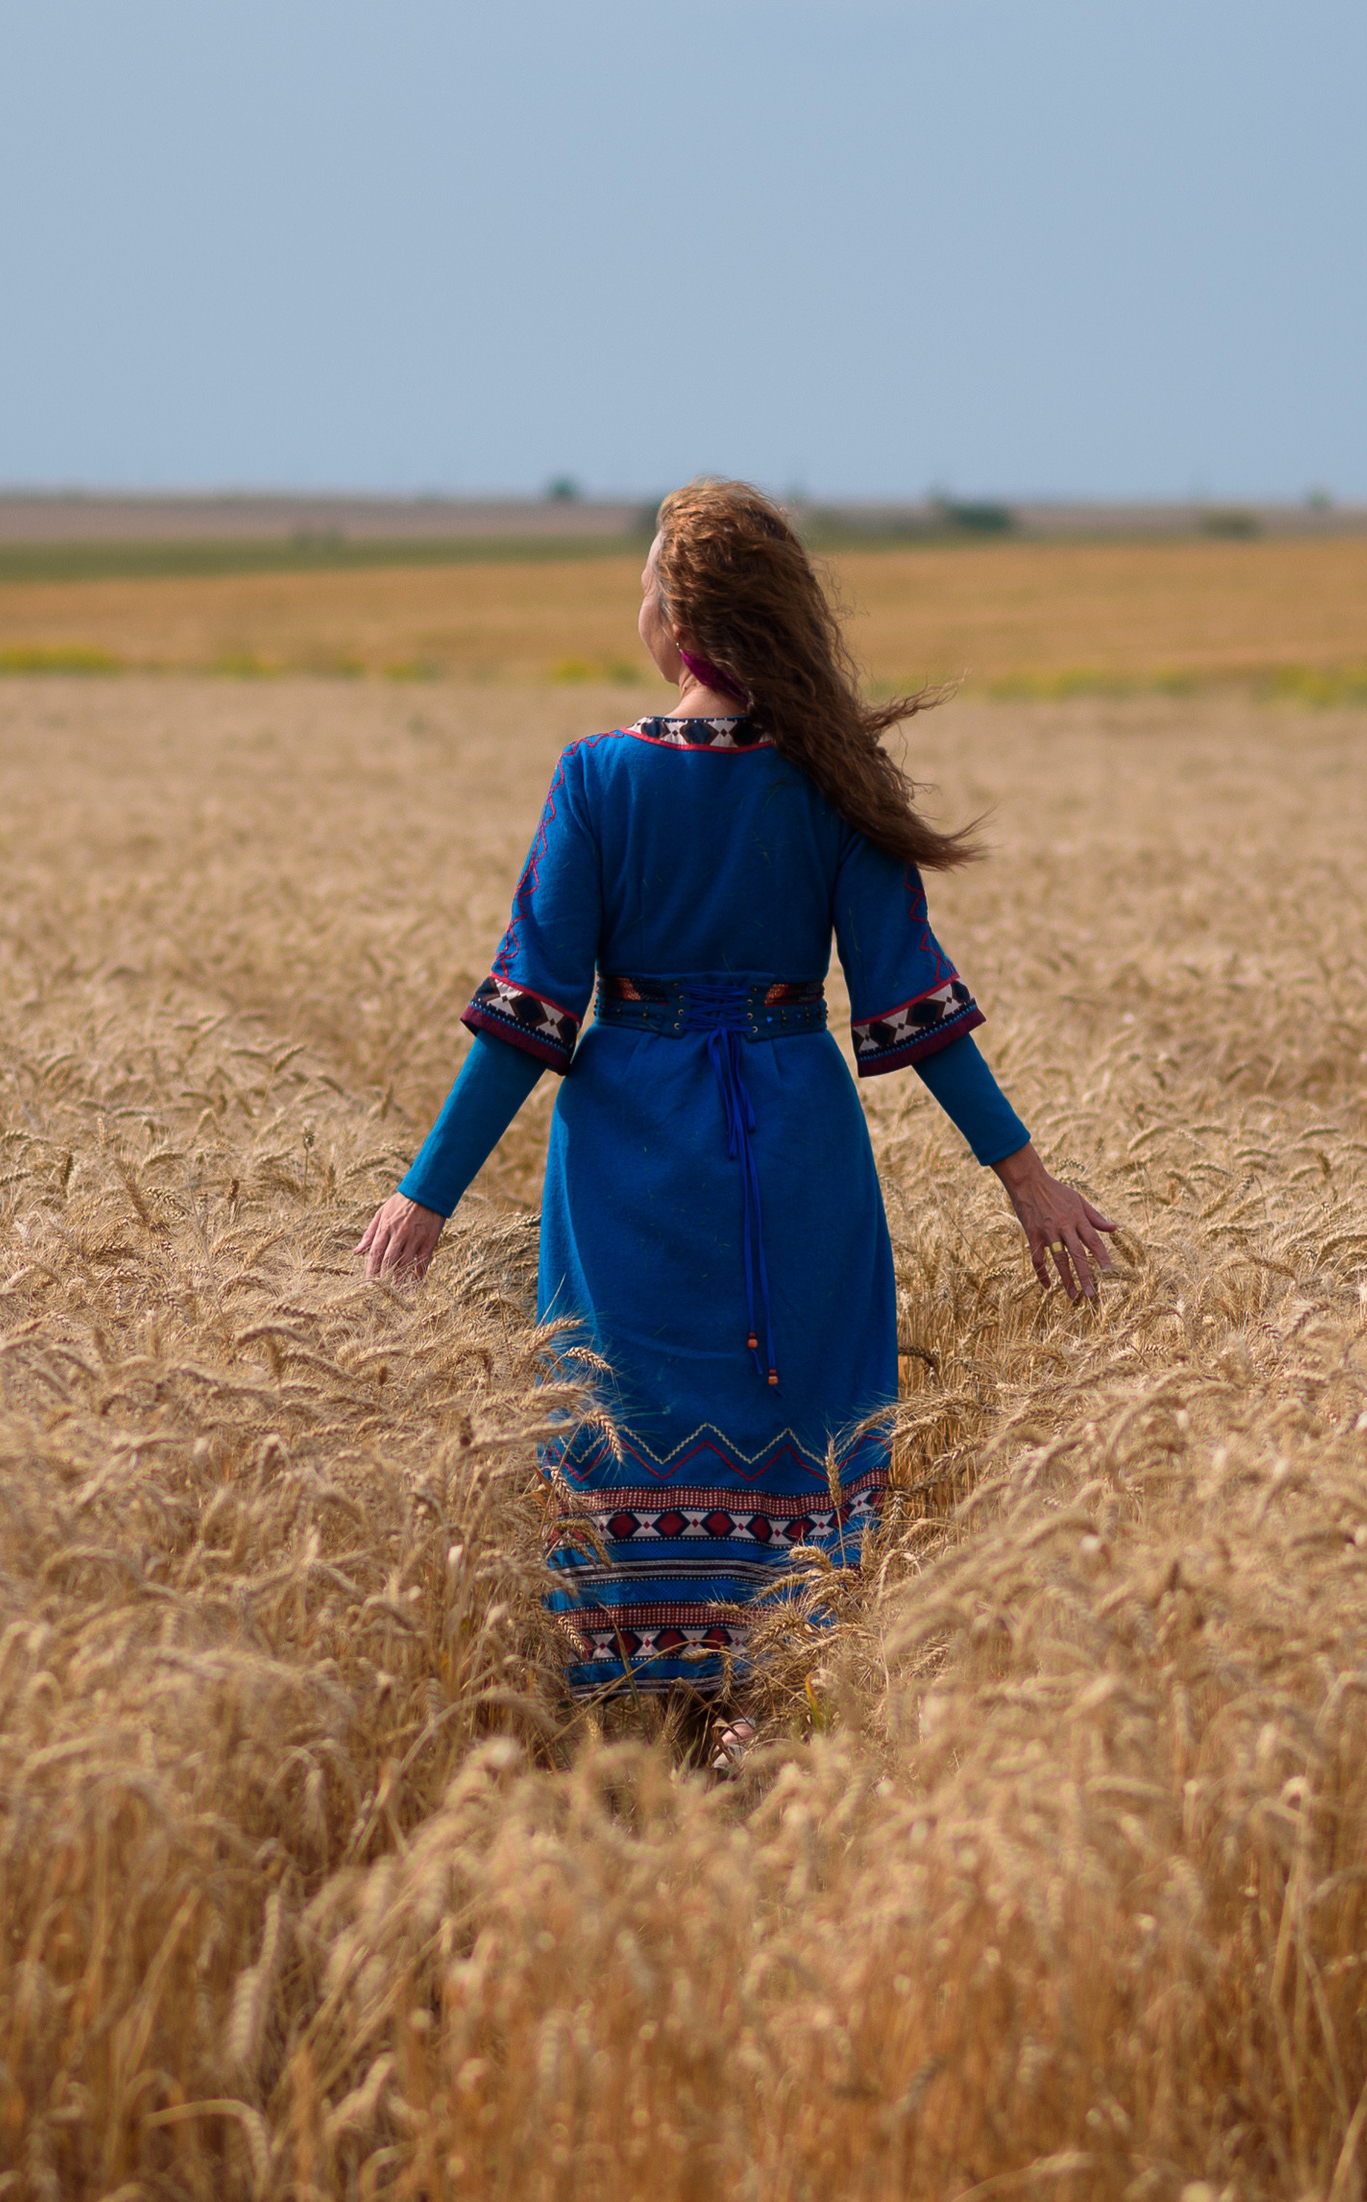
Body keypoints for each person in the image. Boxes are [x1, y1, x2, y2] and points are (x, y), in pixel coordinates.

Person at [356, 479, 1115, 1766]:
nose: (637, 603)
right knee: (795, 1427)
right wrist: (1026, 1178)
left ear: (681, 615)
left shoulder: (598, 779)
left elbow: (525, 1020)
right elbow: (916, 1011)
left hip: (627, 1158)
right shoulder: (832, 782)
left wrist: (424, 1193)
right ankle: (771, 1701)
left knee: (621, 1423)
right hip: (794, 1144)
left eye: (647, 580)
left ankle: (637, 1742)